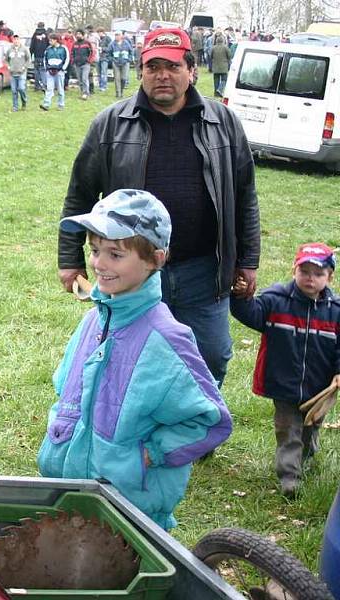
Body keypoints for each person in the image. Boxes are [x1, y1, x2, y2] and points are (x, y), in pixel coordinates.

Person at [57, 27, 260, 388]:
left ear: (191, 70)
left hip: (204, 270)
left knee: (210, 357)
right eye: (153, 67)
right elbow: (79, 194)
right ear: (141, 72)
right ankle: (131, 437)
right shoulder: (110, 123)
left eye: (172, 65)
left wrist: (248, 260)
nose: (162, 75)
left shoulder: (223, 122)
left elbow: (244, 196)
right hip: (134, 270)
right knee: (124, 359)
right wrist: (69, 260)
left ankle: (193, 440)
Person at [38, 189, 233, 530]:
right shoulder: (93, 320)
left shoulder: (168, 339)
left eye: (115, 254)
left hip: (128, 513)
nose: (99, 263)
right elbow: (64, 388)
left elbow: (209, 420)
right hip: (70, 497)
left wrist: (149, 455)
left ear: (154, 259)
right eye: (95, 250)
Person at [230, 243, 339, 498]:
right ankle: (290, 478)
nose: (310, 278)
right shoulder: (276, 301)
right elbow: (250, 314)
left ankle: (307, 456)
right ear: (294, 270)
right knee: (289, 430)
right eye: (304, 271)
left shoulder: (335, 312)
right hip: (284, 384)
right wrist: (240, 296)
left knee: (311, 426)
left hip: (319, 388)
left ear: (329, 277)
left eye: (318, 273)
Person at [40, 33, 68, 111]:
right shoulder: (48, 49)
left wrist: (63, 68)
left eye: (51, 40)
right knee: (49, 88)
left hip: (59, 71)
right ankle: (46, 104)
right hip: (50, 71)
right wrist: (47, 69)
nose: (50, 42)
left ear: (56, 40)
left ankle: (61, 105)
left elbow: (67, 59)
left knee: (60, 89)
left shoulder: (63, 48)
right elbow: (45, 59)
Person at [5, 33, 30, 111]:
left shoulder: (24, 49)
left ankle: (24, 101)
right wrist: (8, 66)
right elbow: (6, 60)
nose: (16, 41)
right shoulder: (9, 50)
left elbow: (28, 59)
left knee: (21, 88)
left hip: (22, 73)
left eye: (17, 39)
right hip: (13, 73)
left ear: (20, 40)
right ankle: (15, 106)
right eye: (14, 39)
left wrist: (24, 67)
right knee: (14, 90)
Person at [107, 31, 133, 98]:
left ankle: (121, 90)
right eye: (116, 35)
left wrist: (129, 59)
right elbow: (108, 54)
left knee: (124, 78)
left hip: (125, 62)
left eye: (118, 35)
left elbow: (131, 51)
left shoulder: (126, 43)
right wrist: (112, 60)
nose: (117, 36)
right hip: (115, 63)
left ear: (121, 36)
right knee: (117, 78)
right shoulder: (112, 44)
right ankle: (118, 93)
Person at [70, 29, 94, 100]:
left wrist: (89, 60)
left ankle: (86, 93)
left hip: (86, 64)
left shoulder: (87, 43)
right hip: (77, 64)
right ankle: (82, 92)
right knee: (80, 80)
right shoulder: (75, 44)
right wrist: (73, 60)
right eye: (77, 34)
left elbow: (91, 52)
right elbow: (72, 53)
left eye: (79, 34)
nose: (78, 35)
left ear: (83, 35)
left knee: (84, 78)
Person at [29, 22, 49, 91]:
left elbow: (32, 46)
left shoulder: (35, 34)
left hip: (36, 56)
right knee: (43, 70)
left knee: (36, 71)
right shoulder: (46, 34)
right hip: (44, 56)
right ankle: (44, 85)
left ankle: (37, 86)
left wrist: (31, 54)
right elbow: (48, 44)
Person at [210, 32, 231, 97]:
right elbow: (229, 56)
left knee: (216, 80)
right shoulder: (226, 48)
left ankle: (216, 93)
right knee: (224, 80)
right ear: (223, 41)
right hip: (224, 67)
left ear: (216, 41)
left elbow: (211, 56)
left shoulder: (213, 48)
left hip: (215, 66)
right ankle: (220, 89)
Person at [97, 27, 112, 92]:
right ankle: (100, 85)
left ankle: (104, 86)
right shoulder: (98, 39)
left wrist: (102, 48)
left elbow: (110, 48)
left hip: (105, 58)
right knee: (99, 73)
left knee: (104, 72)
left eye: (99, 32)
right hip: (98, 58)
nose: (98, 34)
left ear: (102, 32)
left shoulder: (108, 39)